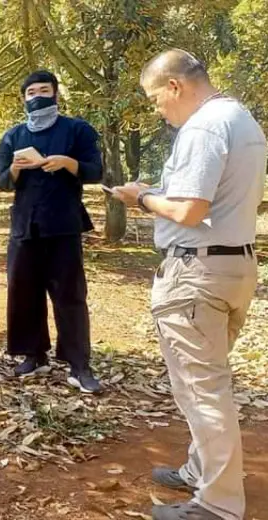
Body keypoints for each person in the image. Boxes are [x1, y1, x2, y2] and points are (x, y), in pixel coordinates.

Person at [113, 49, 266, 520]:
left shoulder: (202, 126)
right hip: (233, 265)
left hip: (197, 274)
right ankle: (202, 471)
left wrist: (142, 198)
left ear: (175, 87)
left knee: (203, 391)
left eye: (156, 98)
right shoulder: (242, 119)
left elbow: (188, 210)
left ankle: (217, 506)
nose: (158, 109)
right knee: (207, 382)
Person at [0, 70, 103, 393]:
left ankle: (78, 365)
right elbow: (2, 182)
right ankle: (33, 355)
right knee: (23, 292)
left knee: (70, 296)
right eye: (31, 92)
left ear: (56, 94)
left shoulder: (76, 129)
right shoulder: (13, 136)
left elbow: (96, 172)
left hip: (63, 225)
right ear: (23, 98)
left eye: (44, 90)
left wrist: (67, 163)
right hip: (25, 227)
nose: (37, 96)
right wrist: (15, 168)